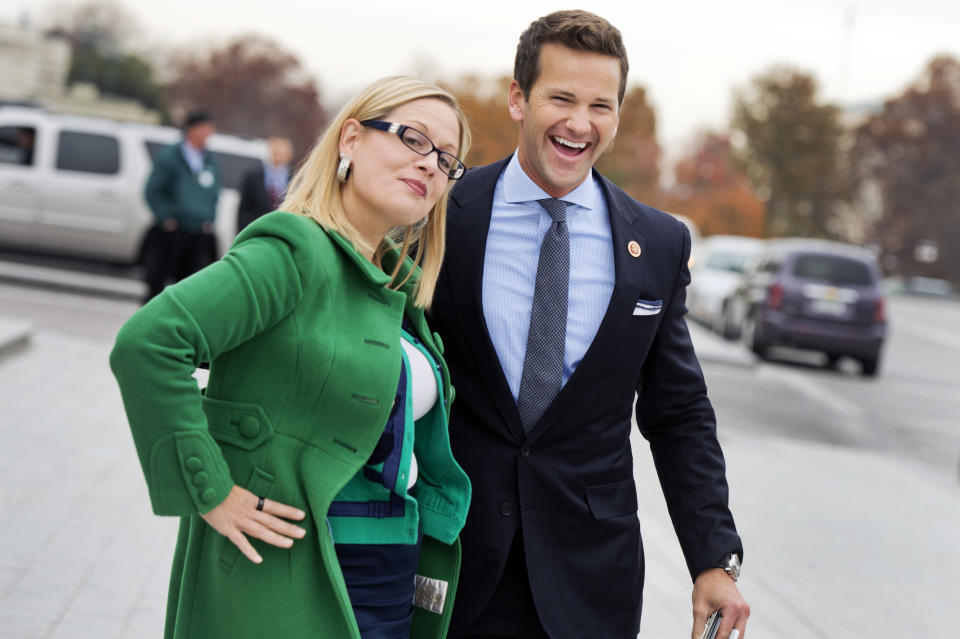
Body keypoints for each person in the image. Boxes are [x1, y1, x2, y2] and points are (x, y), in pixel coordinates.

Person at [110, 76, 473, 639]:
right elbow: (150, 343)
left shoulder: (398, 285)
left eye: (447, 159)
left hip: (392, 571)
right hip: (293, 568)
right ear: (350, 139)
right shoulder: (294, 251)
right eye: (413, 139)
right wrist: (210, 491)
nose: (431, 164)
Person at [428, 10, 750, 639]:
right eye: (562, 98)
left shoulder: (656, 243)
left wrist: (714, 558)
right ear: (519, 98)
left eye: (601, 105)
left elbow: (679, 412)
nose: (580, 123)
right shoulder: (443, 214)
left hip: (588, 577)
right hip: (452, 556)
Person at [142, 110, 221, 303]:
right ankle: (151, 325)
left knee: (188, 286)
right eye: (205, 129)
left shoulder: (209, 160)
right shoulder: (171, 156)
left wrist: (209, 219)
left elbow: (214, 192)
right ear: (192, 130)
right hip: (172, 230)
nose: (208, 134)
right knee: (157, 280)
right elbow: (153, 190)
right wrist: (166, 217)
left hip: (198, 231)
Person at [236, 136, 294, 233]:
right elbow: (243, 211)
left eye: (281, 153)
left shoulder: (294, 180)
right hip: (257, 231)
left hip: (283, 232)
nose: (277, 157)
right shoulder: (253, 177)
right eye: (274, 152)